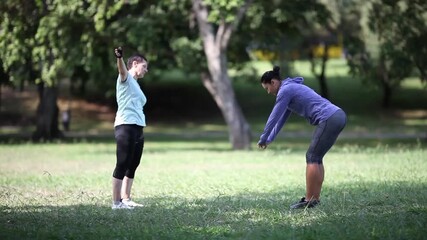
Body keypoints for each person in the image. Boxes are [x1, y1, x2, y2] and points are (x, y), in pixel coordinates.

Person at [257, 66, 347, 209]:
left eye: (267, 88)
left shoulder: (285, 91)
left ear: (273, 82)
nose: (268, 92)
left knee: (312, 157)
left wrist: (263, 138)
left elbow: (273, 117)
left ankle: (309, 200)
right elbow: (281, 119)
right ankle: (314, 199)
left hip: (329, 117)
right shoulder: (289, 88)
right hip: (338, 115)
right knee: (316, 158)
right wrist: (269, 138)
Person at [111, 46, 148, 209]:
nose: (146, 70)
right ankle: (116, 202)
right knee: (122, 163)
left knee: (133, 163)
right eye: (144, 66)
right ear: (134, 64)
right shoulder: (125, 79)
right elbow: (122, 71)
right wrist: (119, 58)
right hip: (125, 126)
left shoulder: (137, 86)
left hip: (138, 128)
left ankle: (126, 199)